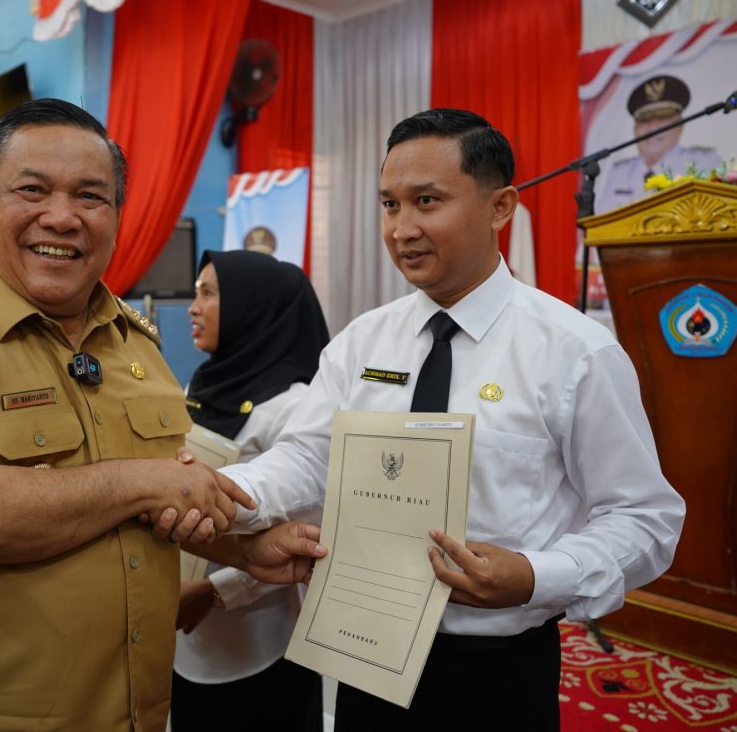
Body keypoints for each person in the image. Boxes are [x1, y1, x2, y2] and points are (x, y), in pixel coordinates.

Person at [160, 108, 685, 729]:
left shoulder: (575, 352)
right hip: (361, 642)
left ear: (500, 207)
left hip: (496, 666)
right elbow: (306, 458)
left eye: (426, 201)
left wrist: (534, 576)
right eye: (389, 205)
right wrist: (225, 490)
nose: (401, 229)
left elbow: (644, 519)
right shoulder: (363, 342)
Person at [0, 98, 323, 732]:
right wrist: (145, 480)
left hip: (135, 711)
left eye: (90, 197)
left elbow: (150, 510)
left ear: (117, 217)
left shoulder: (136, 343)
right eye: (32, 190)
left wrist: (243, 549)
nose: (62, 217)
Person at [172, 249, 330, 732]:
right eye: (196, 292)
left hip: (260, 641)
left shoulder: (294, 406)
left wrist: (214, 591)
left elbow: (309, 536)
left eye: (208, 293)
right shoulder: (201, 385)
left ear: (253, 307)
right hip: (184, 634)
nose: (193, 307)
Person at [597, 75, 723, 213]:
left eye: (663, 118)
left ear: (680, 125)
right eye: (645, 120)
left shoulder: (703, 163)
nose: (653, 128)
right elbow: (603, 219)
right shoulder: (620, 172)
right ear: (634, 130)